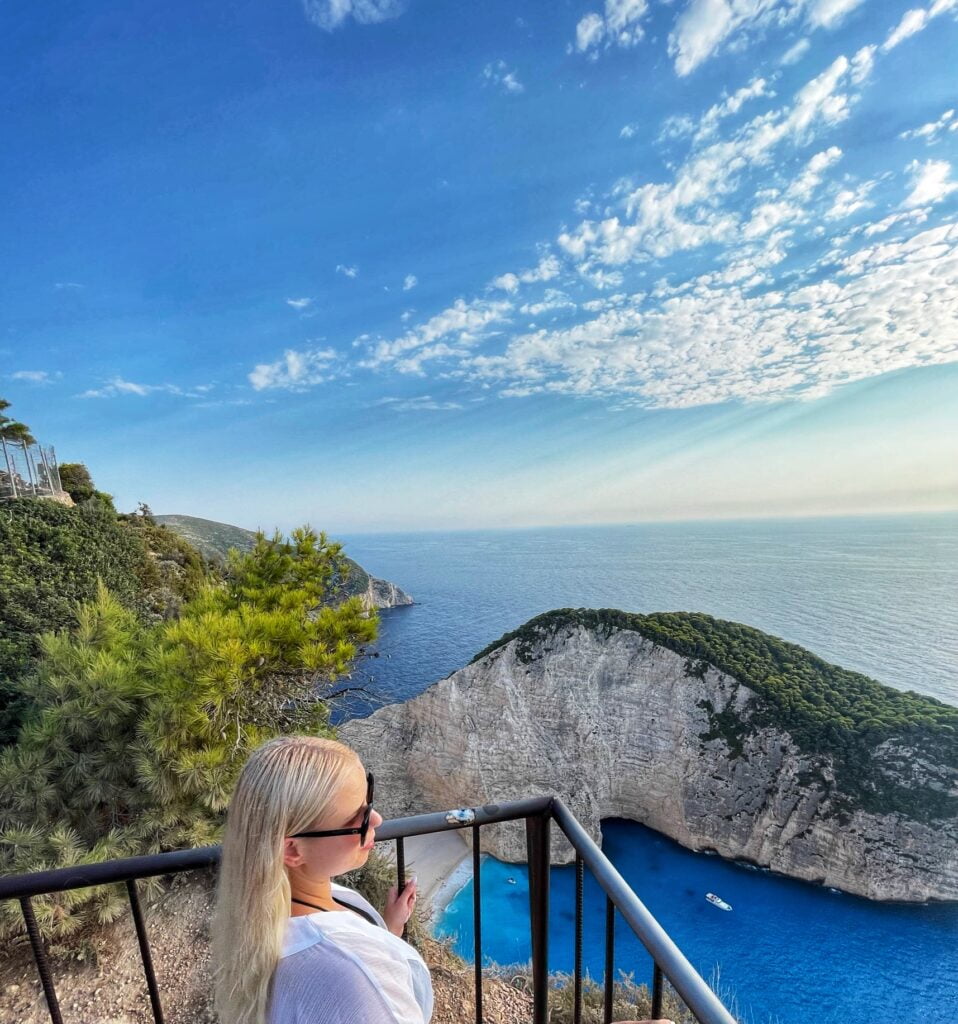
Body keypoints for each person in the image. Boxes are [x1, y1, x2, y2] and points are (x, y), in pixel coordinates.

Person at [212, 736, 428, 1024]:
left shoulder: (265, 910)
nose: (377, 819)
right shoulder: (354, 981)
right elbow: (357, 981)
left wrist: (388, 930)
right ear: (292, 850)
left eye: (368, 801)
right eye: (359, 818)